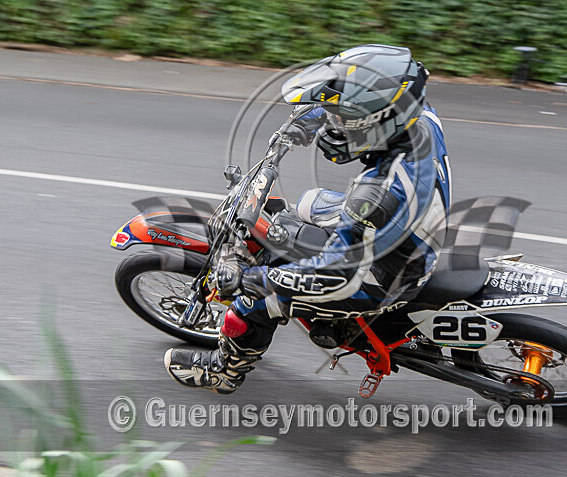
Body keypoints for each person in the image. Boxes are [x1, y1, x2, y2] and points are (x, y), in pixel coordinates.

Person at [164, 44, 452, 393]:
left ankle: (225, 373)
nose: (335, 127)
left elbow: (336, 277)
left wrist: (258, 279)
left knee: (254, 302)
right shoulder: (417, 114)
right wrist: (301, 124)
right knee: (305, 204)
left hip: (384, 275)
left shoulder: (374, 197)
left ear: (376, 123)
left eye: (342, 122)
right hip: (412, 227)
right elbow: (350, 106)